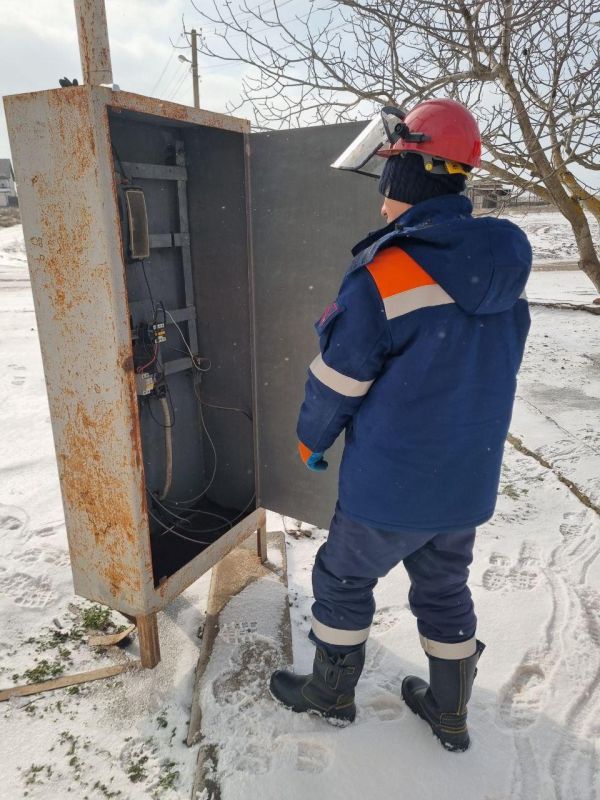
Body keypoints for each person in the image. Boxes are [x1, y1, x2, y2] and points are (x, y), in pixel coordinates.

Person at [269, 98, 532, 752]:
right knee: (444, 589)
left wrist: (311, 439)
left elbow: (338, 380)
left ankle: (331, 694)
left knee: (342, 579)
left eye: (387, 179)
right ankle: (449, 711)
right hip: (466, 480)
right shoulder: (503, 272)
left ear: (405, 179)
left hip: (391, 483)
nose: (382, 200)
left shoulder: (386, 273)